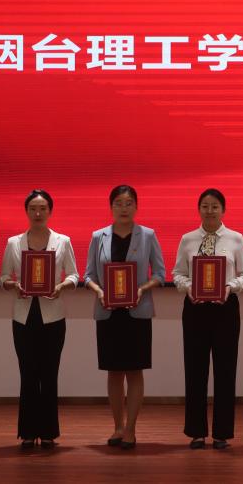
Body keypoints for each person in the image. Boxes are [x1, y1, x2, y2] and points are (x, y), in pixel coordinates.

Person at [84, 185, 165, 450]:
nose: (124, 208)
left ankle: (131, 429)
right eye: (118, 203)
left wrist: (141, 288)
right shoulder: (98, 236)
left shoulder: (148, 235)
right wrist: (99, 291)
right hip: (108, 313)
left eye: (129, 203)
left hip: (137, 313)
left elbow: (160, 274)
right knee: (114, 371)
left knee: (135, 370)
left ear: (136, 206)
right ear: (111, 207)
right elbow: (88, 276)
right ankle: (117, 426)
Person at [172, 188, 243, 450]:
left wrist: (230, 287)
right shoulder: (187, 239)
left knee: (225, 370)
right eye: (205, 206)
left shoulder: (236, 239)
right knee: (195, 370)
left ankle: (222, 433)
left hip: (225, 309)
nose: (210, 211)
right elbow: (177, 273)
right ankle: (196, 432)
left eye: (215, 206)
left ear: (223, 210)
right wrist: (189, 287)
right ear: (199, 209)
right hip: (195, 309)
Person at [0, 189, 80, 449]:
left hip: (53, 316)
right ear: (26, 211)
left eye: (43, 208)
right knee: (28, 373)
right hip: (23, 316)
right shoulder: (14, 242)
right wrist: (12, 285)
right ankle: (27, 432)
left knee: (49, 373)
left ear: (50, 211)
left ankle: (48, 432)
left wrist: (61, 286)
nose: (37, 213)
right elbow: (3, 277)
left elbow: (74, 275)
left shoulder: (63, 241)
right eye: (33, 208)